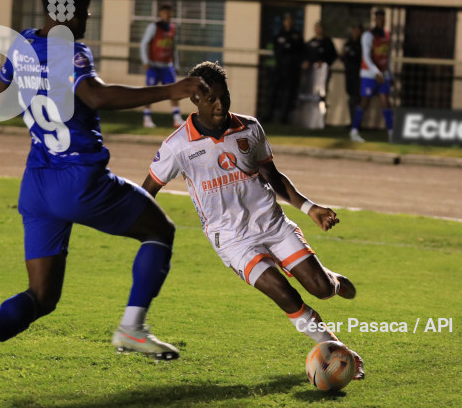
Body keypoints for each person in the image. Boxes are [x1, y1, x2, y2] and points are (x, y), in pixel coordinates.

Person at [0, 0, 208, 407]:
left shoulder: (22, 44)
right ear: (66, 9)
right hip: (80, 180)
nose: (89, 16)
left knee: (42, 296)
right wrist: (170, 90)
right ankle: (132, 328)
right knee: (160, 230)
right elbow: (96, 95)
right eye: (85, 8)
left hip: (37, 183)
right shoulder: (71, 49)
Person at [141, 61, 364, 380]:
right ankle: (336, 349)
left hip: (272, 225)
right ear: (195, 100)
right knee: (284, 294)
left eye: (224, 96)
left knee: (321, 289)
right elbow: (147, 190)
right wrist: (139, 225)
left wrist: (310, 207)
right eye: (211, 99)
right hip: (232, 240)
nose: (220, 105)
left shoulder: (249, 128)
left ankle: (333, 280)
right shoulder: (177, 145)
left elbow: (273, 176)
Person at [350, 8, 393, 143]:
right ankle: (354, 130)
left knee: (385, 102)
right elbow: (367, 57)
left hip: (382, 74)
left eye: (383, 17)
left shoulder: (386, 35)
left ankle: (391, 133)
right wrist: (376, 72)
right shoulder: (368, 35)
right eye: (379, 17)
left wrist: (388, 73)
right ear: (375, 19)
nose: (381, 20)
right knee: (365, 101)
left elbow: (387, 56)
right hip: (369, 74)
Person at [140, 4, 184, 128]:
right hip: (154, 65)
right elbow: (144, 44)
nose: (167, 14)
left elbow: (173, 48)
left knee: (173, 92)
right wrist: (145, 61)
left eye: (169, 12)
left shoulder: (172, 28)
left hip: (167, 66)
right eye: (164, 12)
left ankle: (177, 118)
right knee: (150, 92)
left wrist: (176, 64)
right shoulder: (154, 27)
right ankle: (147, 118)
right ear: (160, 13)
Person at [268, 12, 303, 124]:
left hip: (291, 69)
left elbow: (299, 51)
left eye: (290, 20)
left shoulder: (296, 36)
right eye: (286, 20)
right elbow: (276, 49)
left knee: (288, 93)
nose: (288, 23)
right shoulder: (279, 34)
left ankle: (284, 117)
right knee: (274, 91)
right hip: (279, 68)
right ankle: (270, 115)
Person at [303, 20, 338, 115]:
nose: (318, 30)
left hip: (323, 72)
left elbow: (333, 55)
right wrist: (306, 62)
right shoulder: (311, 42)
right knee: (311, 92)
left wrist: (325, 62)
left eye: (320, 28)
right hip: (311, 72)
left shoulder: (327, 42)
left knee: (322, 92)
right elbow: (306, 56)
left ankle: (321, 114)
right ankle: (311, 113)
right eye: (316, 28)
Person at [340, 23, 363, 128]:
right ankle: (352, 121)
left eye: (357, 29)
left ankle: (357, 123)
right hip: (349, 73)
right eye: (354, 29)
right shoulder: (348, 43)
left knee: (358, 99)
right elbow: (343, 58)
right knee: (351, 98)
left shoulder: (362, 43)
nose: (355, 32)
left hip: (359, 74)